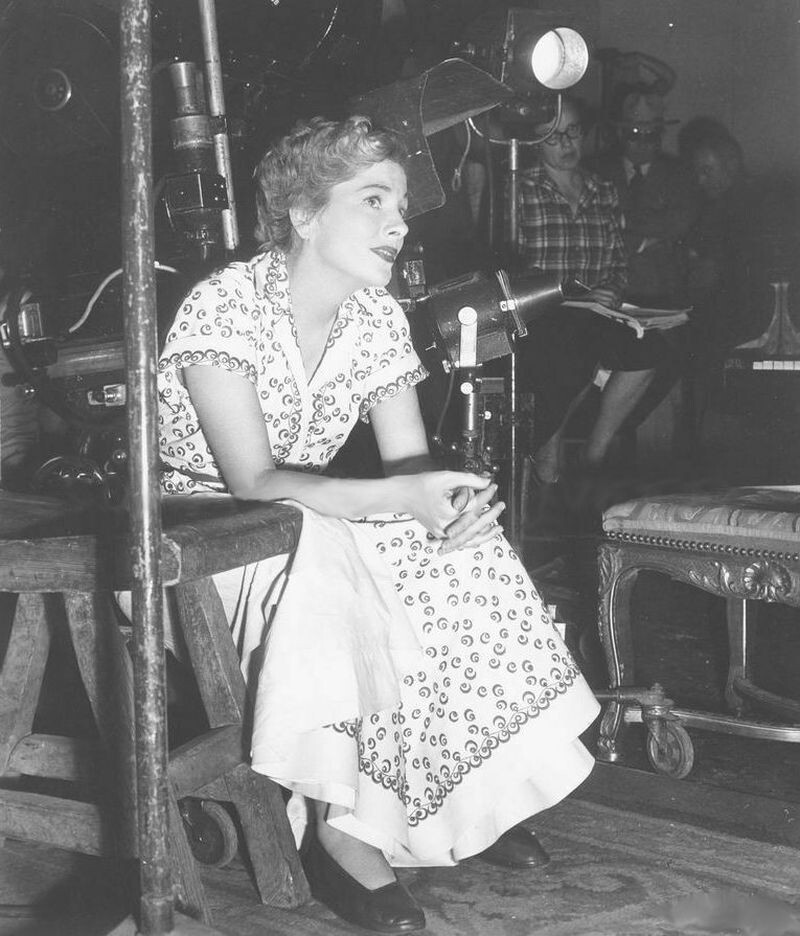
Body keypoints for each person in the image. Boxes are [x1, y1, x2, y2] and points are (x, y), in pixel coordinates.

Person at [157, 115, 600, 934]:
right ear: (303, 214)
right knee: (334, 543)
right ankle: (340, 829)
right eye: (373, 200)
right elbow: (254, 482)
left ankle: (473, 796)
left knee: (459, 552)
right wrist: (405, 497)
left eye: (400, 206)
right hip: (196, 545)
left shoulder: (375, 318)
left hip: (302, 531)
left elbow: (407, 465)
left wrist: (451, 507)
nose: (399, 223)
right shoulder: (226, 305)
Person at [514, 96, 665, 484]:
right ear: (534, 142)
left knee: (649, 349)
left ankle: (593, 456)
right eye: (553, 136)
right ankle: (547, 454)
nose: (566, 143)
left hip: (597, 312)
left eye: (573, 132)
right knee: (571, 352)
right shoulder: (520, 190)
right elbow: (513, 272)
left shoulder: (603, 190)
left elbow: (618, 263)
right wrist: (574, 297)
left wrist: (612, 290)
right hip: (543, 314)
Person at [591, 85, 697, 308]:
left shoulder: (679, 174)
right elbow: (593, 229)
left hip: (663, 289)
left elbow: (678, 224)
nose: (642, 143)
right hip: (608, 291)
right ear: (620, 134)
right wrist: (644, 240)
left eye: (651, 135)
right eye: (634, 134)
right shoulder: (597, 171)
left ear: (661, 136)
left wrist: (621, 223)